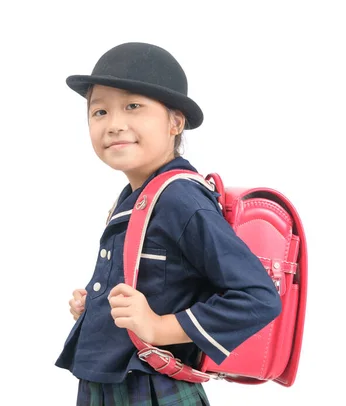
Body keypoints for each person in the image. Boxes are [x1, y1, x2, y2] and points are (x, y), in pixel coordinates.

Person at [54, 42, 282, 406]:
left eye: (133, 106)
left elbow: (258, 297)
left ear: (176, 122)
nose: (114, 125)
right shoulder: (136, 197)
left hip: (150, 388)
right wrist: (94, 304)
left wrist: (158, 327)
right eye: (99, 112)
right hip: (107, 381)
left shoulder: (179, 199)